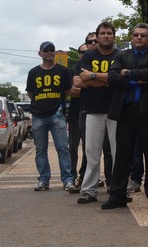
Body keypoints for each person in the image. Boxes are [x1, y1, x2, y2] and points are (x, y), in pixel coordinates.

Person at [103, 23, 148, 211]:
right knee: (122, 155)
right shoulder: (121, 55)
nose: (139, 38)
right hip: (125, 111)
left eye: (143, 35)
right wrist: (137, 80)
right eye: (136, 35)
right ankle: (117, 195)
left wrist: (129, 73)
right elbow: (112, 77)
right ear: (132, 37)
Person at [76, 22, 119, 204]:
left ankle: (118, 189)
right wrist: (109, 79)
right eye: (103, 33)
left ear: (114, 37)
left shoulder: (120, 56)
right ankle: (89, 190)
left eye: (109, 33)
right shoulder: (89, 56)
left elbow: (119, 80)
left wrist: (93, 76)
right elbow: (81, 82)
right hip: (93, 110)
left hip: (116, 110)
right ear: (98, 36)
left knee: (118, 152)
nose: (106, 36)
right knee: (91, 152)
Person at [26, 41, 75, 191]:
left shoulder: (63, 71)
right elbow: (31, 93)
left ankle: (67, 180)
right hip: (38, 115)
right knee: (41, 149)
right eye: (45, 50)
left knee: (63, 149)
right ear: (40, 53)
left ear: (54, 53)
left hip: (57, 114)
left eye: (51, 50)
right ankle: (43, 179)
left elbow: (67, 91)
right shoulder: (33, 72)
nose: (49, 53)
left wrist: (56, 103)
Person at [67, 43, 88, 192]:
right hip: (75, 113)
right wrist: (94, 84)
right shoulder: (74, 69)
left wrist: (85, 84)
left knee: (89, 149)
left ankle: (85, 177)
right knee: (72, 148)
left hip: (91, 112)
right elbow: (72, 90)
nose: (84, 53)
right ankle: (71, 176)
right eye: (82, 51)